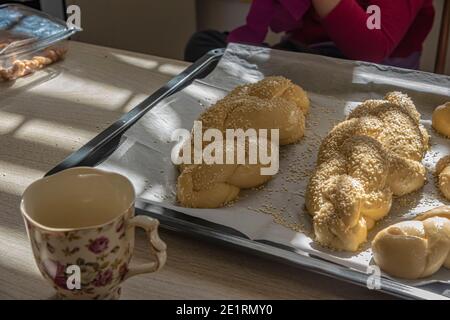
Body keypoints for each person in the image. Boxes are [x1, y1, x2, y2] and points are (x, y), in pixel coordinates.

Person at [185, 0, 435, 70]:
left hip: (364, 72)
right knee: (206, 44)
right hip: (302, 53)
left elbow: (371, 47)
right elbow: (278, 20)